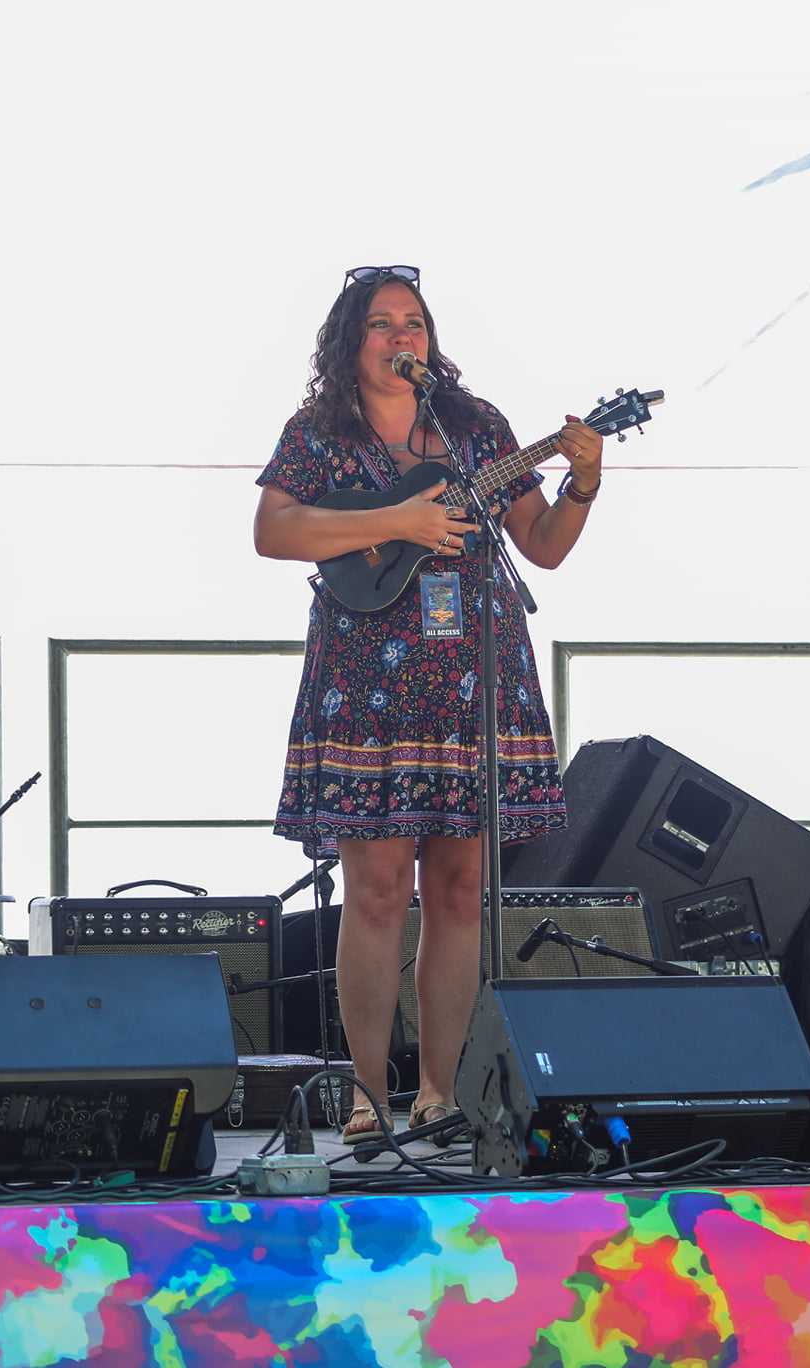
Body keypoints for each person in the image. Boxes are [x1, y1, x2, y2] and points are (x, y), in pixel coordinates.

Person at [254, 265, 603, 1143]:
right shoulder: (320, 432)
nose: (401, 337)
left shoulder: (477, 428)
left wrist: (584, 483)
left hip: (475, 683)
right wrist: (396, 525)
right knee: (376, 893)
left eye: (414, 323)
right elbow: (275, 530)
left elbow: (545, 548)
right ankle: (369, 1098)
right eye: (382, 324)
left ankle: (440, 1095)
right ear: (349, 341)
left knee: (457, 890)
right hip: (368, 684)